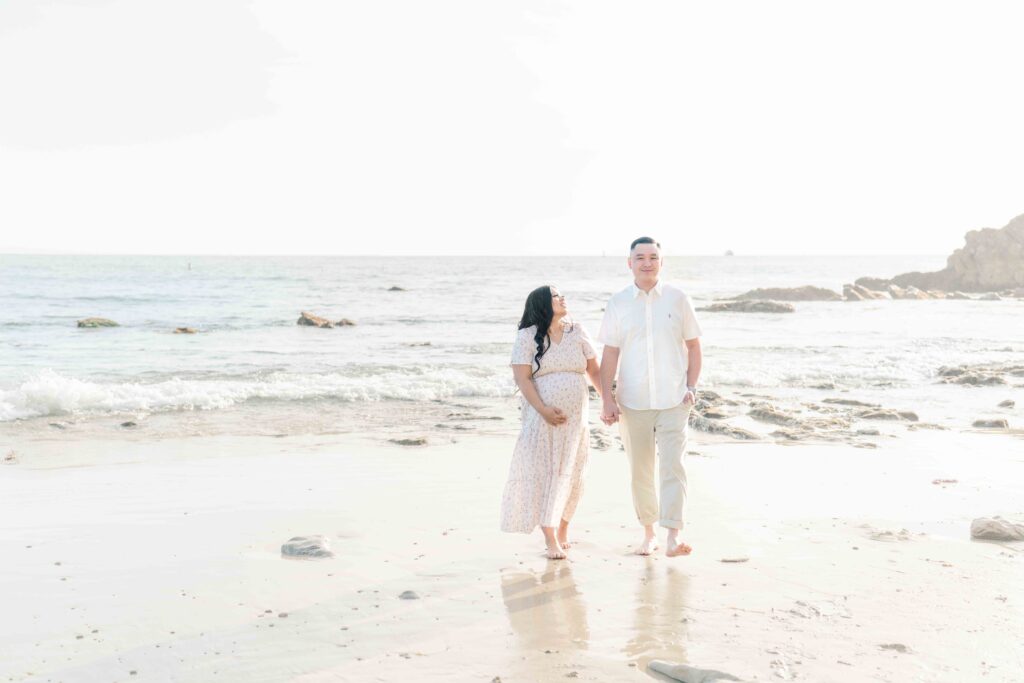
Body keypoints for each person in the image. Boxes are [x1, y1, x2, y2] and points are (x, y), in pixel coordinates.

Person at [598, 237, 703, 557]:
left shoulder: (678, 299)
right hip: (633, 402)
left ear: (661, 262)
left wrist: (692, 386)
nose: (647, 262)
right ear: (629, 263)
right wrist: (607, 398)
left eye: (653, 257)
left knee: (674, 467)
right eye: (640, 257)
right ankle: (648, 533)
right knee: (640, 470)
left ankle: (672, 534)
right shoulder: (618, 303)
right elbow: (610, 354)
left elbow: (695, 347)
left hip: (674, 400)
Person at [501, 285, 602, 560]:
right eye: (556, 295)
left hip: (576, 419)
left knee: (575, 473)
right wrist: (544, 409)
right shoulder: (526, 336)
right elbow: (522, 378)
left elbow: (594, 370)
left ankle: (563, 529)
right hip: (542, 418)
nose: (562, 298)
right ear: (542, 303)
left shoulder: (577, 330)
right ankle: (549, 537)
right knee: (548, 474)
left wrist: (609, 400)